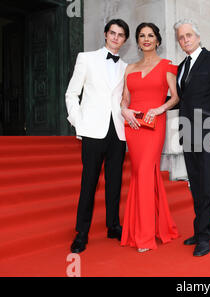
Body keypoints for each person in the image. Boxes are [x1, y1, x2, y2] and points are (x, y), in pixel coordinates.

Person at [65, 19, 130, 254]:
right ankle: (81, 233)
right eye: (112, 33)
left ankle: (113, 226)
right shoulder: (86, 58)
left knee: (114, 183)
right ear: (105, 34)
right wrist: (78, 123)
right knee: (89, 183)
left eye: (120, 35)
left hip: (118, 132)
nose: (115, 37)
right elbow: (72, 94)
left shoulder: (126, 67)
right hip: (93, 131)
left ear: (124, 40)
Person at [119, 23, 180, 253]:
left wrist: (160, 108)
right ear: (137, 41)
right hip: (133, 125)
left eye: (150, 35)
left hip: (155, 123)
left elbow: (175, 97)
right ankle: (151, 226)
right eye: (142, 36)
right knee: (140, 174)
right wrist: (124, 110)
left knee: (145, 171)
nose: (146, 39)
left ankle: (144, 236)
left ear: (158, 40)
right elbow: (125, 98)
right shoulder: (130, 68)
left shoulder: (167, 66)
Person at [174, 19, 210, 257]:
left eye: (189, 35)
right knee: (196, 183)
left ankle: (203, 235)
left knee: (208, 183)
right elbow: (182, 100)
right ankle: (209, 226)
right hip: (188, 131)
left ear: (198, 37)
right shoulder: (180, 67)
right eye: (181, 37)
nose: (185, 39)